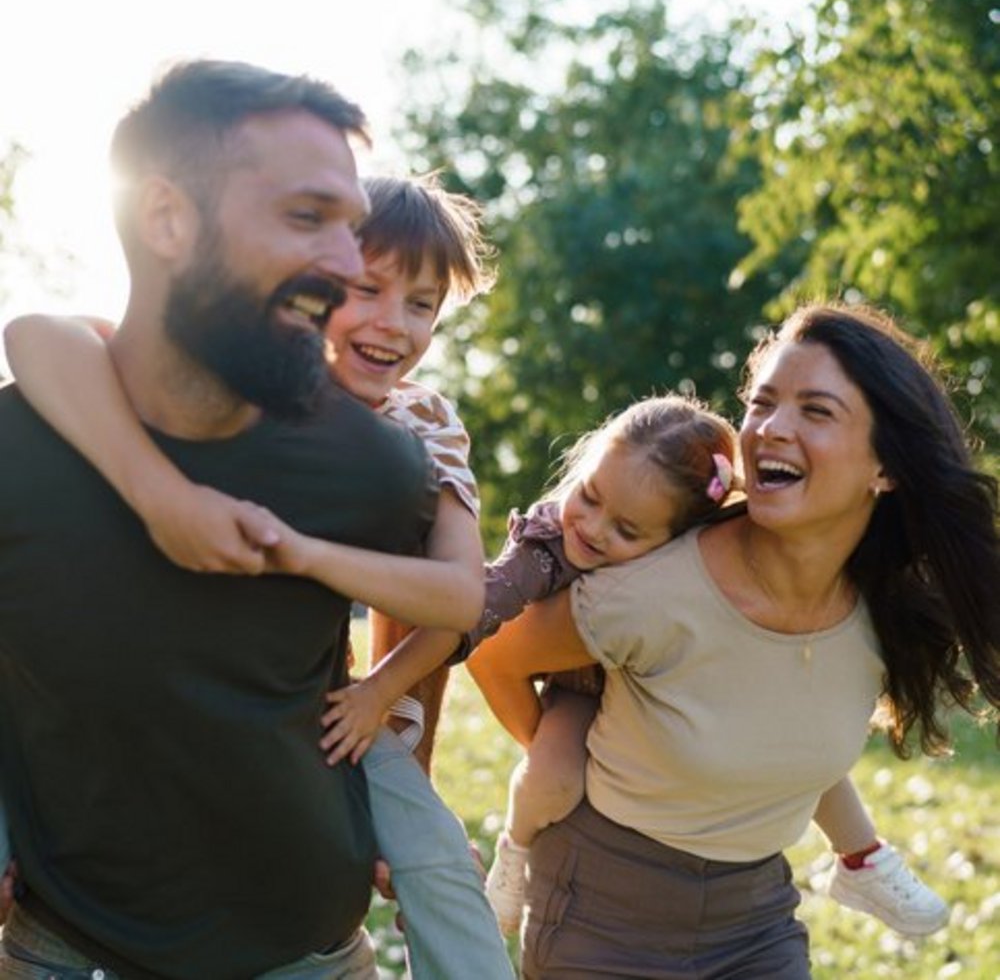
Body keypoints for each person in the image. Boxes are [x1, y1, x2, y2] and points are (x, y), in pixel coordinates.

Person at [1, 175, 516, 980]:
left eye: (422, 305)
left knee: (437, 857)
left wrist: (380, 686)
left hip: (322, 708)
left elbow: (458, 598)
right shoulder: (228, 385)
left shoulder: (421, 424)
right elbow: (36, 332)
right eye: (368, 290)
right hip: (106, 725)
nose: (394, 323)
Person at [468, 303, 1000, 979]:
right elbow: (491, 654)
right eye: (764, 403)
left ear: (886, 468)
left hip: (757, 921)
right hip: (605, 918)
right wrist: (561, 757)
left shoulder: (889, 608)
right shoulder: (649, 593)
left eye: (816, 411)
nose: (772, 429)